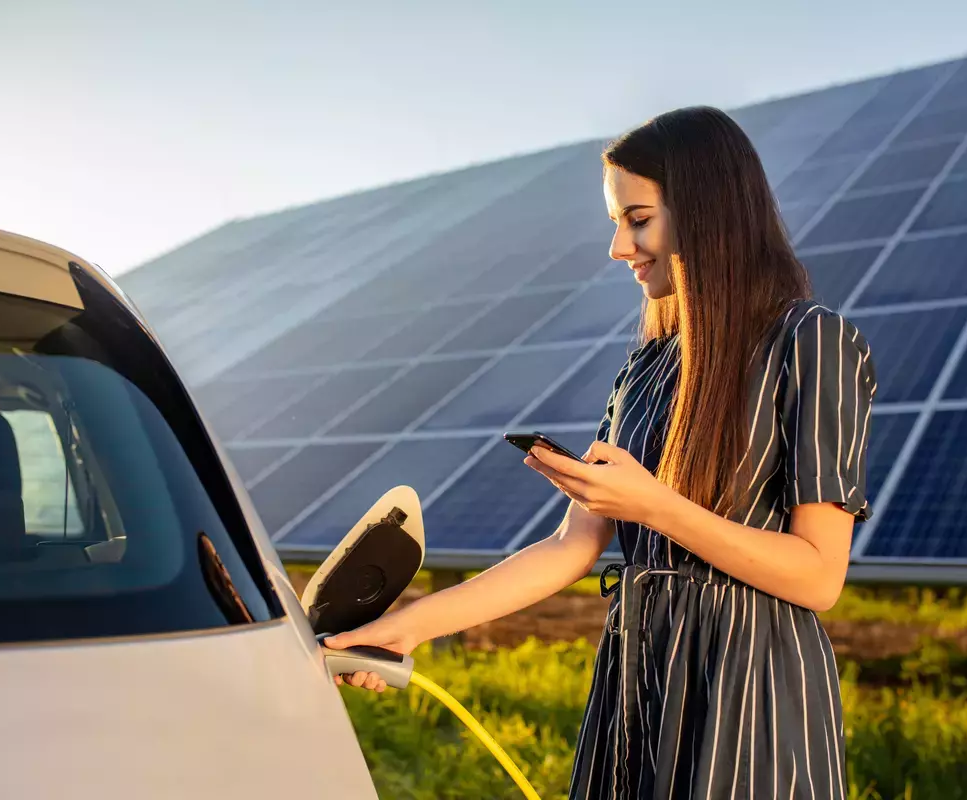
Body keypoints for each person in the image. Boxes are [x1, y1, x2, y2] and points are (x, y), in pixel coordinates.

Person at [324, 106, 876, 800]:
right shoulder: (647, 367)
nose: (620, 247)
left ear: (708, 210)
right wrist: (405, 629)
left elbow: (819, 576)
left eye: (637, 218)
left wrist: (656, 507)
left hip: (749, 688)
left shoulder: (811, 342)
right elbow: (569, 549)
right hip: (636, 681)